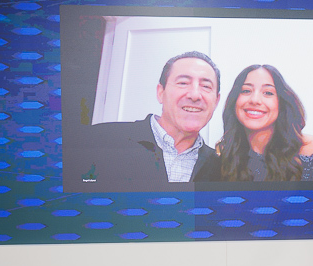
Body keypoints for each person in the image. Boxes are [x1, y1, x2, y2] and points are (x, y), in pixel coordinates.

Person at [65, 51, 221, 192]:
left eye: (206, 86)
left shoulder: (222, 168)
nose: (195, 95)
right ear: (161, 93)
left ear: (216, 101)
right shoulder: (97, 140)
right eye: (183, 83)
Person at [217, 64, 313, 181]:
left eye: (268, 93)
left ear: (282, 103)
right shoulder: (223, 153)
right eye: (246, 91)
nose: (255, 100)